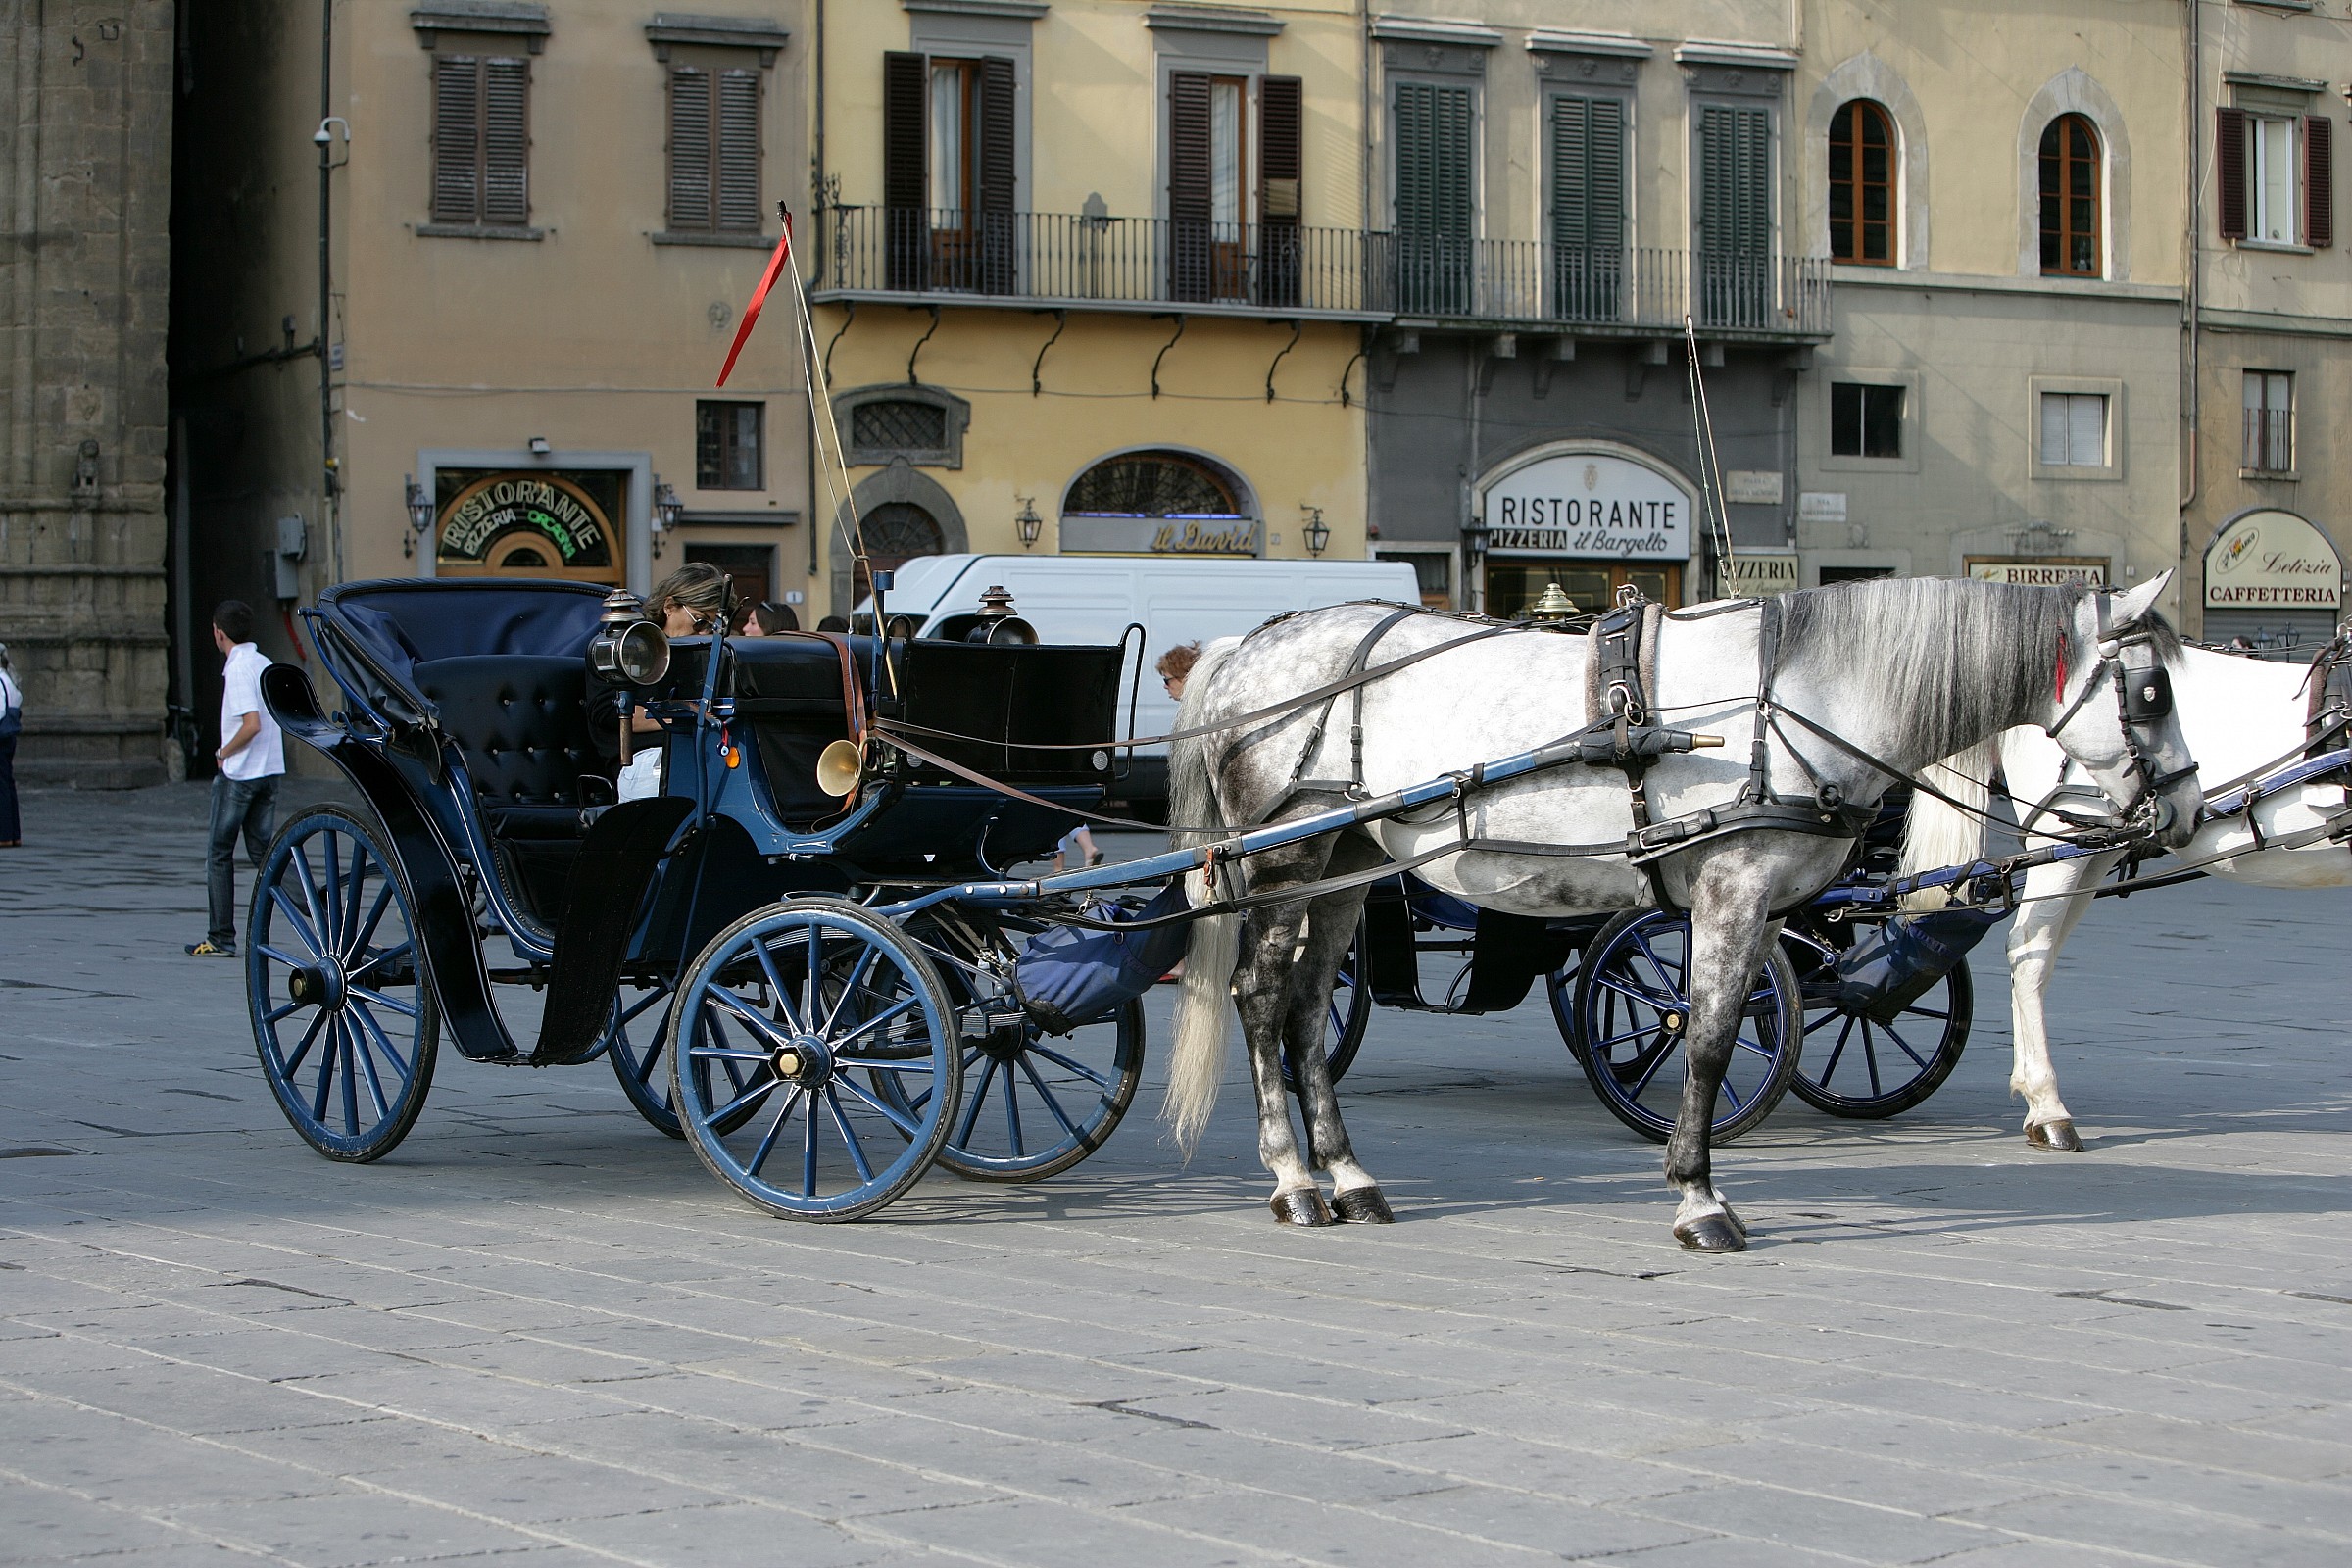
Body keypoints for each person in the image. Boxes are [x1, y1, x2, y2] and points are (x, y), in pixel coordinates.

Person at [188, 602, 285, 956]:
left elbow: (251, 724)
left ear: (219, 633)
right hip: (269, 770)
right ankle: (318, 906)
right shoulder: (263, 663)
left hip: (241, 773)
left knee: (218, 853)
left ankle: (220, 937)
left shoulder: (239, 668)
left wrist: (222, 752)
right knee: (264, 852)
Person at [585, 562, 733, 774]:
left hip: (699, 749)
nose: (705, 633)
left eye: (715, 627)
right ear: (669, 606)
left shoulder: (709, 651)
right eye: (700, 621)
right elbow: (609, 712)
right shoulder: (631, 645)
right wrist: (688, 716)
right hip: (641, 759)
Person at [0, 641, 22, 849]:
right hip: (9, 736)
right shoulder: (9, 679)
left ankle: (4, 834)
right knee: (7, 783)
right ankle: (14, 834)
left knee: (1, 786)